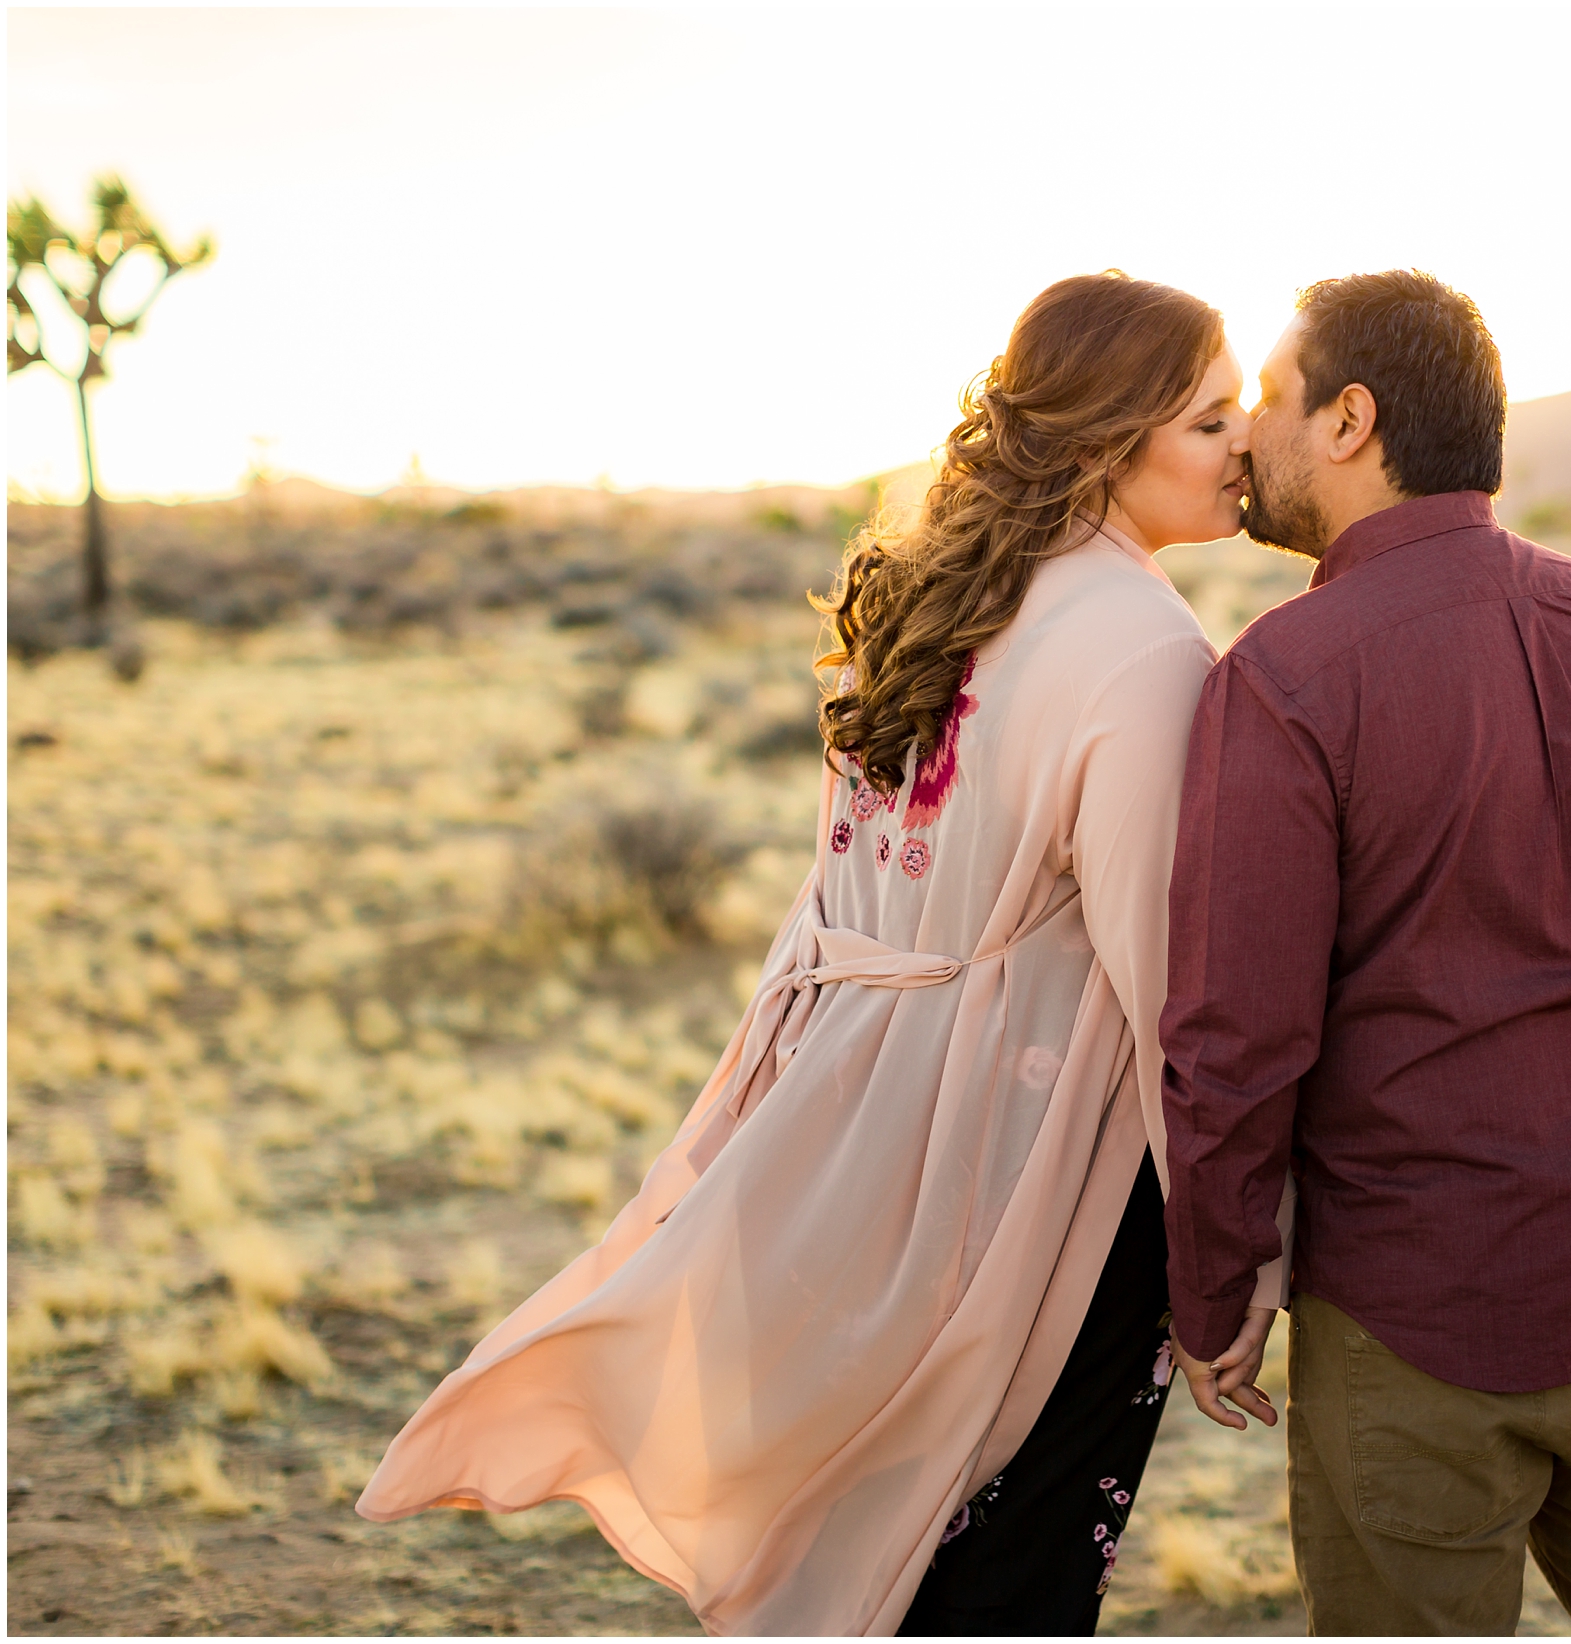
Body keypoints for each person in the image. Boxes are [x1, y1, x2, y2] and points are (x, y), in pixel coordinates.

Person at [357, 270, 1290, 1636]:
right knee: (1006, 1559)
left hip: (831, 1115)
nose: (1245, 448)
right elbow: (1171, 997)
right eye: (1212, 423)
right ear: (1104, 442)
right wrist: (1231, 1257)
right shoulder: (1145, 649)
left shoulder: (929, 587)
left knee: (857, 1521)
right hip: (1013, 1159)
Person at [1160, 270, 1571, 1636]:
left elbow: (1235, 1036)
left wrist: (1215, 1282)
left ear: (1349, 421)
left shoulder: (1289, 674)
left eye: (1267, 397)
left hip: (1432, 1308)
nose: (1244, 435)